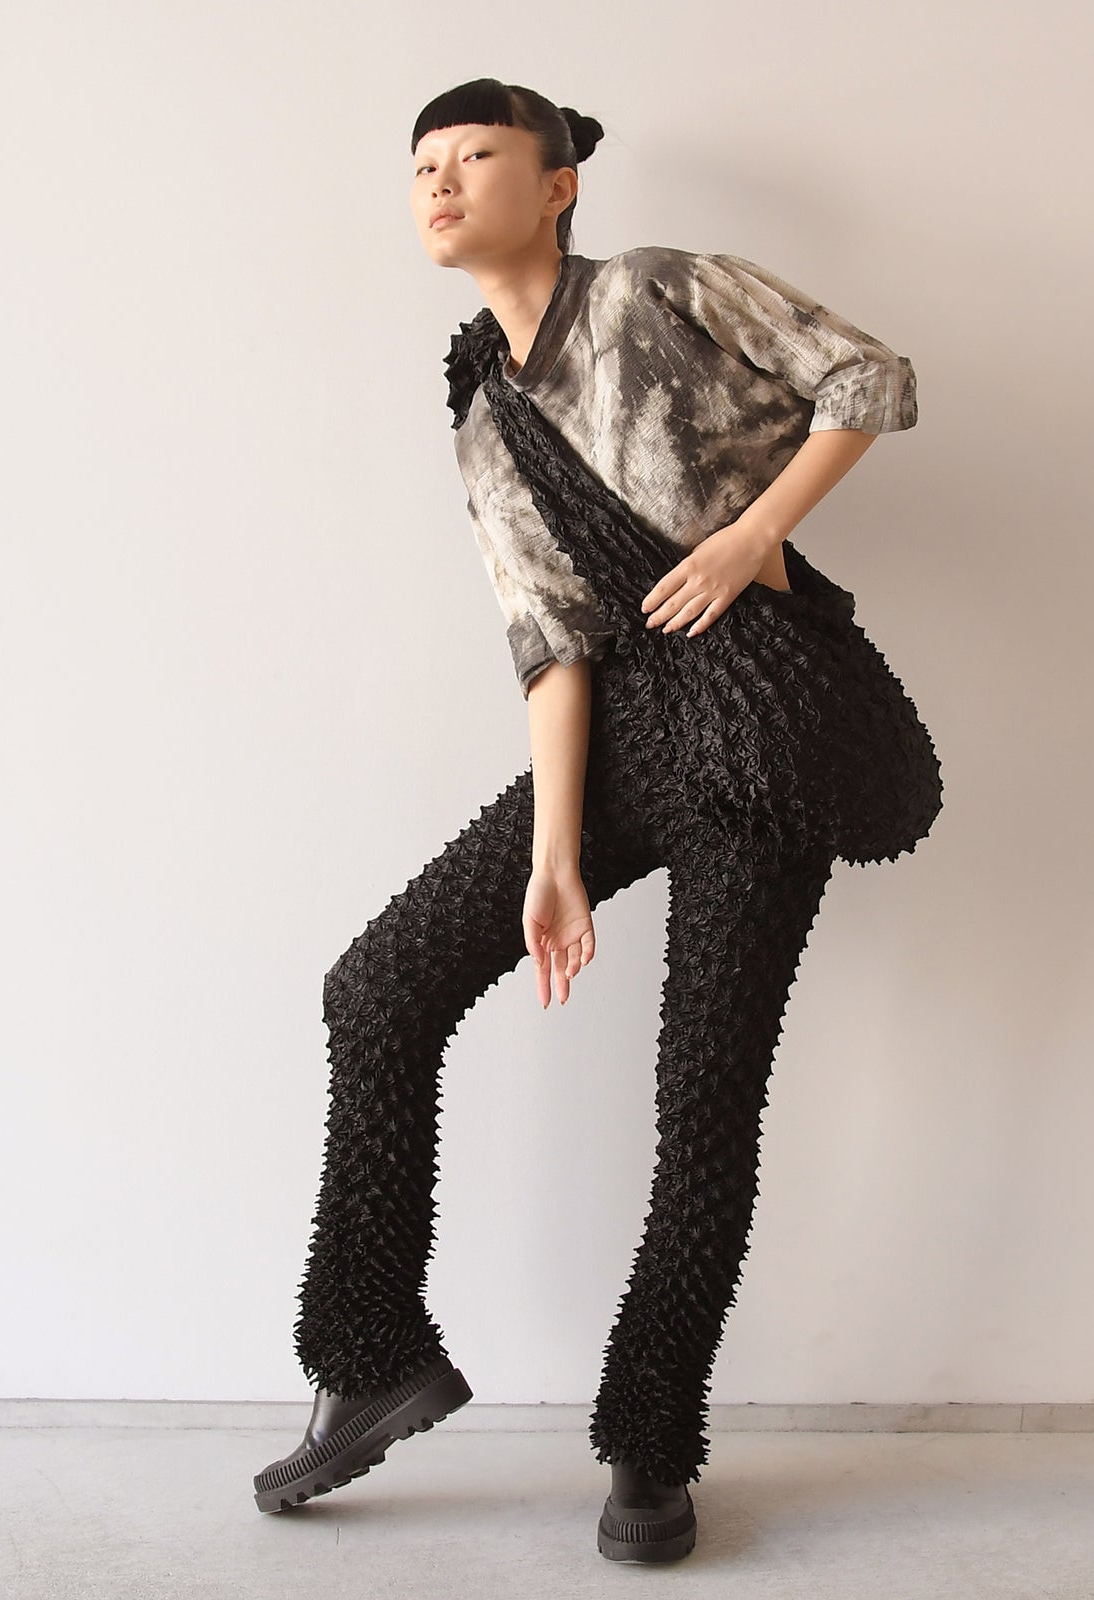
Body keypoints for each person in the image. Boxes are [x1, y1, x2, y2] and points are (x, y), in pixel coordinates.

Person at [253, 77, 942, 1565]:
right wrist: (556, 854)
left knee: (703, 1096)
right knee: (377, 991)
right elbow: (552, 641)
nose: (441, 184)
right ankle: (372, 1353)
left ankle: (650, 1443)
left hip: (762, 724)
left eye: (476, 155)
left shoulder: (660, 289)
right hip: (627, 732)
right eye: (421, 167)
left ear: (558, 184)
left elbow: (868, 377)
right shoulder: (481, 416)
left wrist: (753, 533)